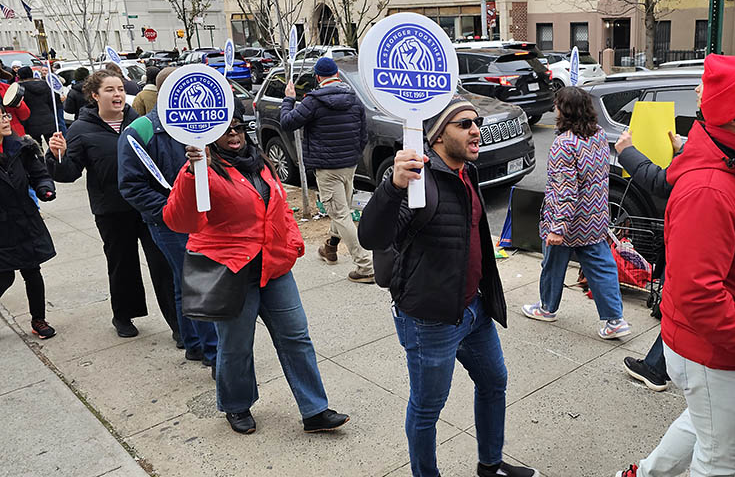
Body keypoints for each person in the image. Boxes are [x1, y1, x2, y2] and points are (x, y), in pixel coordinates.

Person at [616, 54, 735, 477]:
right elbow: (698, 294)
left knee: (701, 424)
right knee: (720, 460)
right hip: (720, 353)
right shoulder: (710, 189)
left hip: (719, 347)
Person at [358, 94, 538, 477]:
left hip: (474, 309)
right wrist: (392, 185)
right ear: (438, 135)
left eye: (477, 123)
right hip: (430, 321)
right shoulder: (416, 180)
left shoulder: (467, 171)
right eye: (465, 124)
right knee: (427, 409)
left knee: (494, 382)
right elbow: (371, 236)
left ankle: (490, 465)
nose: (476, 130)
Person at [163, 107, 349, 435]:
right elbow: (180, 221)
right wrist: (193, 174)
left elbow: (278, 206)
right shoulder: (203, 170)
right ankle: (236, 405)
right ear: (210, 135)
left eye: (238, 127)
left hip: (274, 266)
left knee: (296, 337)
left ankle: (315, 410)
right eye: (225, 130)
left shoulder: (259, 161)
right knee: (236, 345)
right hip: (232, 271)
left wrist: (292, 240)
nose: (233, 134)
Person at [48, 69, 178, 340]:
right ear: (95, 95)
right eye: (109, 90)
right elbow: (69, 173)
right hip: (112, 210)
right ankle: (123, 316)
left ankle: (180, 326)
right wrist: (57, 156)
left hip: (147, 205)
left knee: (164, 266)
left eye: (120, 88)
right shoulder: (81, 129)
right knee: (122, 265)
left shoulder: (139, 122)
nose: (117, 94)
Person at [118, 66, 218, 367]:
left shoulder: (203, 125)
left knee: (184, 280)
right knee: (196, 281)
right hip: (168, 223)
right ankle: (214, 353)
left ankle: (194, 343)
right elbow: (131, 185)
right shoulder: (140, 131)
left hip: (201, 217)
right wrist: (170, 210)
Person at [520, 86, 631, 339]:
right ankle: (615, 319)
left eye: (557, 105)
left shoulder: (564, 144)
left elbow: (565, 191)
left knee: (552, 265)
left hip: (566, 222)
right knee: (602, 267)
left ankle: (547, 307)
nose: (554, 109)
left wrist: (557, 228)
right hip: (595, 218)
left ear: (565, 110)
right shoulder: (598, 134)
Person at [279, 56, 374, 283]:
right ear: (337, 75)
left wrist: (289, 99)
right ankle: (330, 247)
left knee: (340, 214)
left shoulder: (313, 101)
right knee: (341, 209)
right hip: (349, 165)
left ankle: (366, 266)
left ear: (318, 77)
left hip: (327, 168)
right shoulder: (354, 99)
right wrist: (353, 155)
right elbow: (363, 133)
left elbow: (287, 122)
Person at [0, 107, 57, 339]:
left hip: (25, 221)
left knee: (33, 271)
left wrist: (45, 189)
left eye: (5, 115)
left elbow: (39, 175)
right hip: (3, 228)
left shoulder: (21, 147)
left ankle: (38, 320)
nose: (6, 120)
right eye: (0, 117)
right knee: (5, 276)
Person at [16, 66, 66, 144]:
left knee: (36, 145)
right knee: (53, 144)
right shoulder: (45, 84)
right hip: (48, 119)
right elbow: (53, 102)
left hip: (30, 122)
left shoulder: (20, 88)